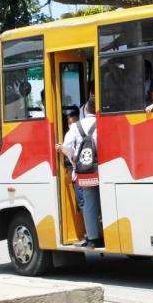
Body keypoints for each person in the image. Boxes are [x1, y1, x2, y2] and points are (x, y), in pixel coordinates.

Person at [57, 98, 103, 249]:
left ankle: (93, 238)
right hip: (102, 169)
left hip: (85, 171)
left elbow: (67, 146)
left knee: (89, 202)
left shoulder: (76, 126)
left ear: (86, 110)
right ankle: (105, 233)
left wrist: (74, 159)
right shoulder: (103, 123)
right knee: (104, 201)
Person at [56, 110, 85, 213]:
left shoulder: (72, 132)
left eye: (73, 122)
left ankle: (90, 228)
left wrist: (61, 149)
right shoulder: (87, 131)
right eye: (69, 123)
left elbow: (70, 153)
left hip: (79, 176)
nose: (71, 125)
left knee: (83, 206)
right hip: (91, 174)